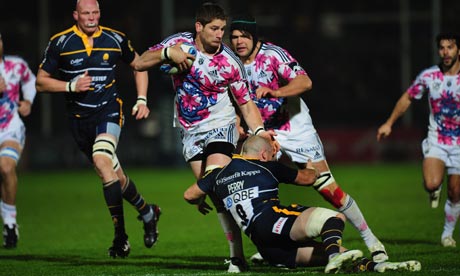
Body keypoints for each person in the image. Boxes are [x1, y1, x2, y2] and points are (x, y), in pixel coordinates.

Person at [228, 15, 388, 262]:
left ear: (254, 37)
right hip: (264, 131)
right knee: (255, 182)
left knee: (327, 188)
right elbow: (239, 100)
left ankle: (371, 239)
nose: (239, 42)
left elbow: (305, 81)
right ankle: (268, 245)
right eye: (235, 37)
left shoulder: (273, 55)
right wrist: (239, 124)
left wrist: (276, 91)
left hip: (296, 128)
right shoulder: (233, 63)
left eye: (244, 36)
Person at [134, 2, 277, 272]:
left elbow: (246, 104)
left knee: (220, 184)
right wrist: (167, 53)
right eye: (214, 29)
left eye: (222, 29)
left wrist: (259, 133)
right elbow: (140, 62)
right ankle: (248, 250)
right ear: (198, 27)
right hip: (190, 130)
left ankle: (241, 254)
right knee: (216, 195)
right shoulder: (178, 43)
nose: (219, 35)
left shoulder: (230, 62)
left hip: (221, 125)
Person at [184, 135, 421, 273]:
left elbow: (189, 194)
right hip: (272, 221)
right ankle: (332, 258)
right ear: (264, 154)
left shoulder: (219, 174)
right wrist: (308, 164)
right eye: (273, 153)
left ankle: (380, 268)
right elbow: (308, 179)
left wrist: (205, 196)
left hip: (267, 247)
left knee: (342, 254)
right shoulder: (267, 166)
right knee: (334, 219)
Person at [35, 0, 160, 257]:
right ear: (75, 15)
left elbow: (140, 66)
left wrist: (142, 99)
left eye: (95, 13)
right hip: (79, 122)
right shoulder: (60, 42)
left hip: (109, 111)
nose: (91, 18)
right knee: (114, 176)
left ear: (99, 13)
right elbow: (40, 82)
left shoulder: (115, 39)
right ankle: (148, 212)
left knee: (102, 161)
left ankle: (120, 237)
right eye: (85, 13)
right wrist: (70, 86)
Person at [377, 32, 460, 248]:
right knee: (432, 183)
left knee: (456, 192)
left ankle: (447, 235)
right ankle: (434, 188)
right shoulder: (429, 76)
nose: (445, 52)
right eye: (442, 48)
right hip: (437, 139)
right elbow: (407, 97)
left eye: (450, 47)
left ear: (458, 50)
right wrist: (389, 123)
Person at [0, 32, 36, 249]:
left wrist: (28, 102)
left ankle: (10, 224)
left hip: (10, 128)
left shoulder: (16, 65)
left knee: (5, 168)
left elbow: (31, 81)